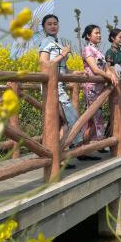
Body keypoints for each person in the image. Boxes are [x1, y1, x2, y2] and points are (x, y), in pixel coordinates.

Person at [38, 14, 89, 166]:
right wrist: (62, 54)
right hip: (52, 88)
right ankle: (62, 152)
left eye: (55, 23)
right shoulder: (45, 43)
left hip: (59, 86)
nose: (53, 26)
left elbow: (64, 70)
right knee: (71, 118)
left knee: (60, 124)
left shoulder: (58, 43)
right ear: (44, 27)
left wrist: (78, 73)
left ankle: (57, 158)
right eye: (49, 24)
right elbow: (44, 65)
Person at [81, 25, 118, 149]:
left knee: (94, 119)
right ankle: (83, 146)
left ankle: (86, 148)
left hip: (100, 88)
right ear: (88, 36)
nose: (99, 35)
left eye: (99, 33)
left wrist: (112, 74)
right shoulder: (87, 49)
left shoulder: (99, 52)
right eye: (96, 33)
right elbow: (95, 69)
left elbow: (106, 68)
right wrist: (110, 77)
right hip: (91, 87)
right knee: (95, 118)